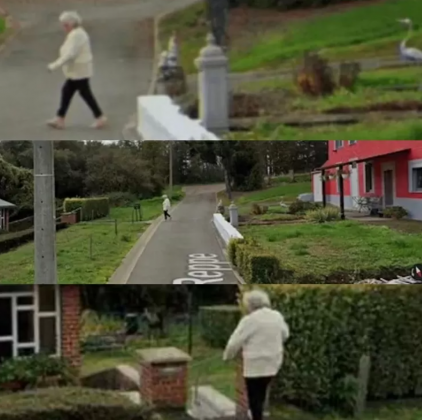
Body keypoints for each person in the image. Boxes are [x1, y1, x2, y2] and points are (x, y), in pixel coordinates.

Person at [223, 289, 290, 420]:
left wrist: (227, 356)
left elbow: (235, 342)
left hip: (255, 364)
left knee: (254, 396)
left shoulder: (249, 320)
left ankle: (256, 417)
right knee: (262, 392)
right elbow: (285, 334)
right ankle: (257, 415)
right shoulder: (276, 316)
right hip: (273, 361)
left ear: (250, 305)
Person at [47, 11, 107, 130]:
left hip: (79, 70)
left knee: (83, 93)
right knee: (69, 92)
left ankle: (99, 117)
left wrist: (54, 65)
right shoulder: (77, 33)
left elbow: (70, 54)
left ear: (71, 24)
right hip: (78, 70)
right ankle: (60, 118)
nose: (64, 27)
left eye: (65, 25)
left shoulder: (77, 35)